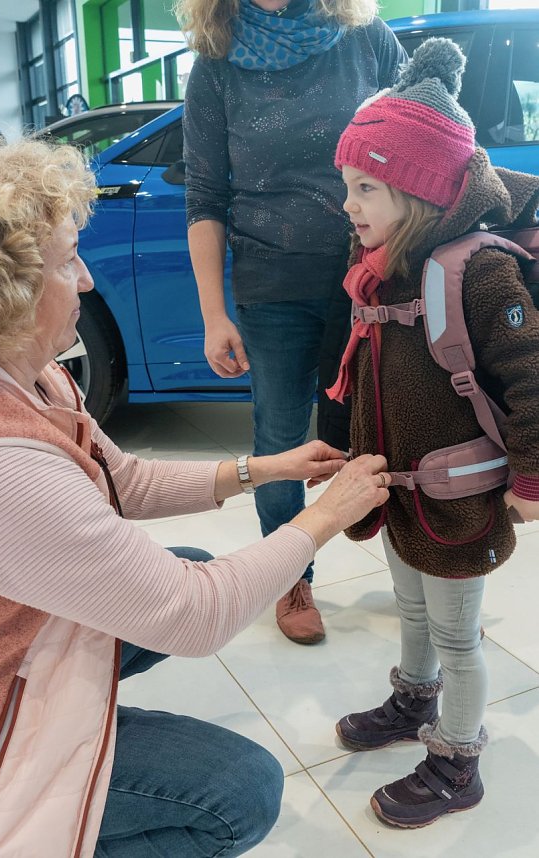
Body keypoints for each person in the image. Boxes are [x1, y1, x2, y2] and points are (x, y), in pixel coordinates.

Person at [0, 137, 390, 857]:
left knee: (188, 560)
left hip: (13, 630)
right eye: (69, 259)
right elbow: (193, 619)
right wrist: (323, 518)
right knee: (240, 789)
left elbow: (121, 481)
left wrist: (266, 467)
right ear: (3, 288)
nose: (89, 281)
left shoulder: (35, 380)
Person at [319, 38, 539, 828]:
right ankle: (414, 704)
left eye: (366, 185)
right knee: (410, 612)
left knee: (458, 637)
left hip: (459, 496)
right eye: (345, 184)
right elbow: (356, 366)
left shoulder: (477, 270)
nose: (348, 203)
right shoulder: (380, 265)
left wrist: (529, 478)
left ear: (420, 191)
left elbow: (529, 377)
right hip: (399, 487)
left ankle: (457, 758)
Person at [178, 0, 407, 644]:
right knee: (279, 437)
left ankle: (411, 557)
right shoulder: (217, 60)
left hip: (371, 276)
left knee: (382, 421)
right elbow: (205, 194)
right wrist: (213, 313)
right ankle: (289, 575)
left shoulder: (366, 38)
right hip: (271, 285)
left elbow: (422, 143)